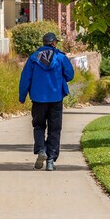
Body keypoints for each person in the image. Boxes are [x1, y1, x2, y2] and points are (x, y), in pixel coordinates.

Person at [19, 32, 74, 171]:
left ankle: (41, 150)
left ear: (43, 43)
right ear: (54, 43)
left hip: (38, 99)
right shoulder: (60, 57)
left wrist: (22, 96)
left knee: (38, 126)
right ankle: (50, 160)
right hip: (56, 98)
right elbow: (70, 75)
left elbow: (25, 78)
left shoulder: (33, 58)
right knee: (55, 129)